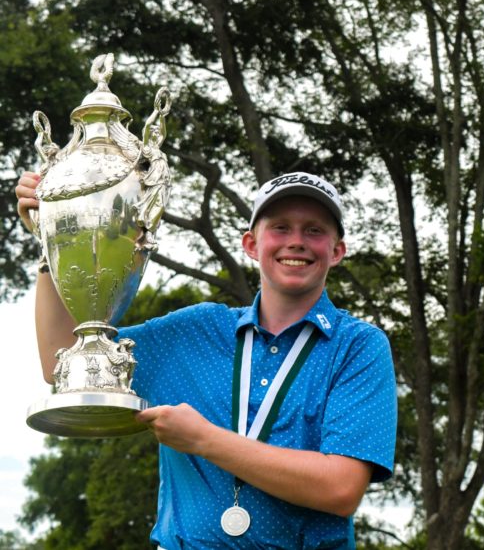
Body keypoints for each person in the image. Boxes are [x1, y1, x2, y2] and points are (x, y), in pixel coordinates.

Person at [16, 170, 398, 548]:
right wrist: (54, 241)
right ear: (251, 244)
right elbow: (62, 362)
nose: (296, 242)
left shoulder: (358, 347)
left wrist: (203, 440)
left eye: (314, 230)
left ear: (337, 251)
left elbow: (340, 488)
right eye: (280, 228)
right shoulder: (195, 329)